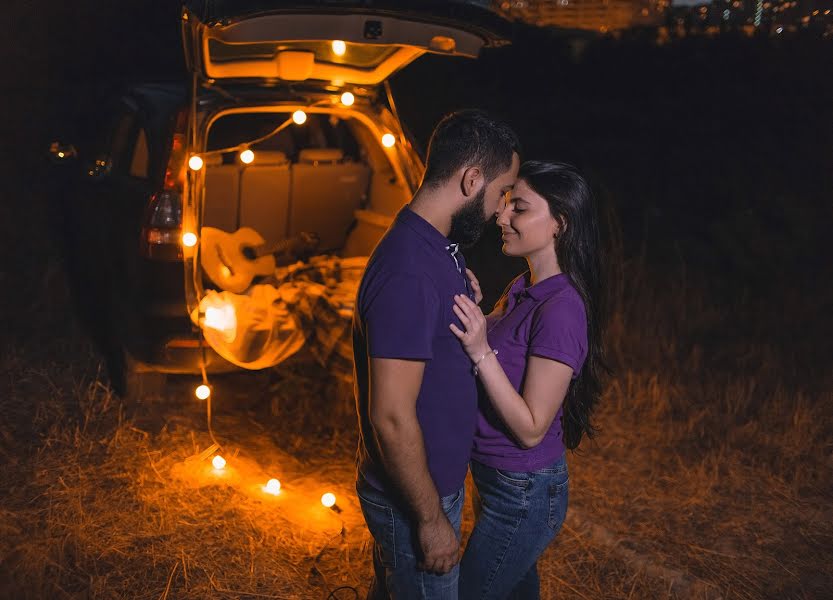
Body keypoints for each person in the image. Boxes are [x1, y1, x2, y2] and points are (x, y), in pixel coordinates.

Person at [353, 110, 520, 600]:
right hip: (412, 498)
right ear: (472, 179)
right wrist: (429, 521)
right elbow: (390, 416)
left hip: (428, 483)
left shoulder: (439, 248)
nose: (499, 209)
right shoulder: (409, 269)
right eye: (500, 190)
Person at [450, 161, 606, 600]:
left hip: (524, 492)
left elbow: (532, 427)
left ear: (560, 223)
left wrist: (480, 349)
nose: (501, 217)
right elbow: (501, 356)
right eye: (504, 205)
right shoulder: (525, 286)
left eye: (518, 208)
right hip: (497, 480)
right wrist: (478, 315)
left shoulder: (561, 308)